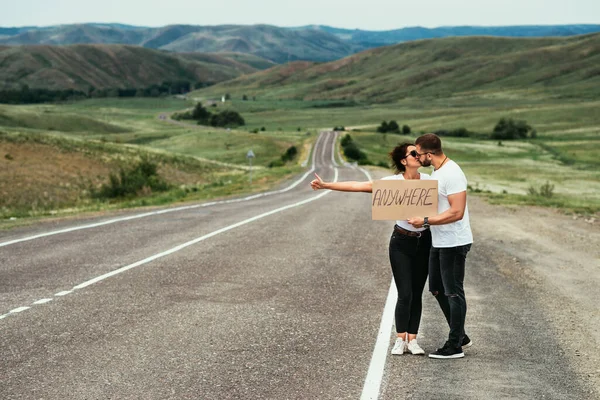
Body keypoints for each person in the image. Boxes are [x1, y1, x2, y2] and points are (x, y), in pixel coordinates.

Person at [311, 143, 431, 356]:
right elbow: (358, 185)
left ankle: (413, 340)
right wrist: (326, 185)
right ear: (404, 161)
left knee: (417, 293)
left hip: (425, 242)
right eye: (414, 153)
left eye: (419, 152)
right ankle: (399, 338)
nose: (418, 155)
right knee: (405, 293)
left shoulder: (430, 182)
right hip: (401, 242)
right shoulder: (391, 183)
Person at [407, 133, 473, 360]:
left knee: (454, 292)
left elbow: (457, 212)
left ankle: (455, 345)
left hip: (454, 242)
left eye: (417, 153)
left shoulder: (452, 173)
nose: (416, 157)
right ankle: (461, 333)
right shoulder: (438, 172)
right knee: (436, 288)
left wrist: (424, 221)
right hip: (440, 240)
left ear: (428, 154)